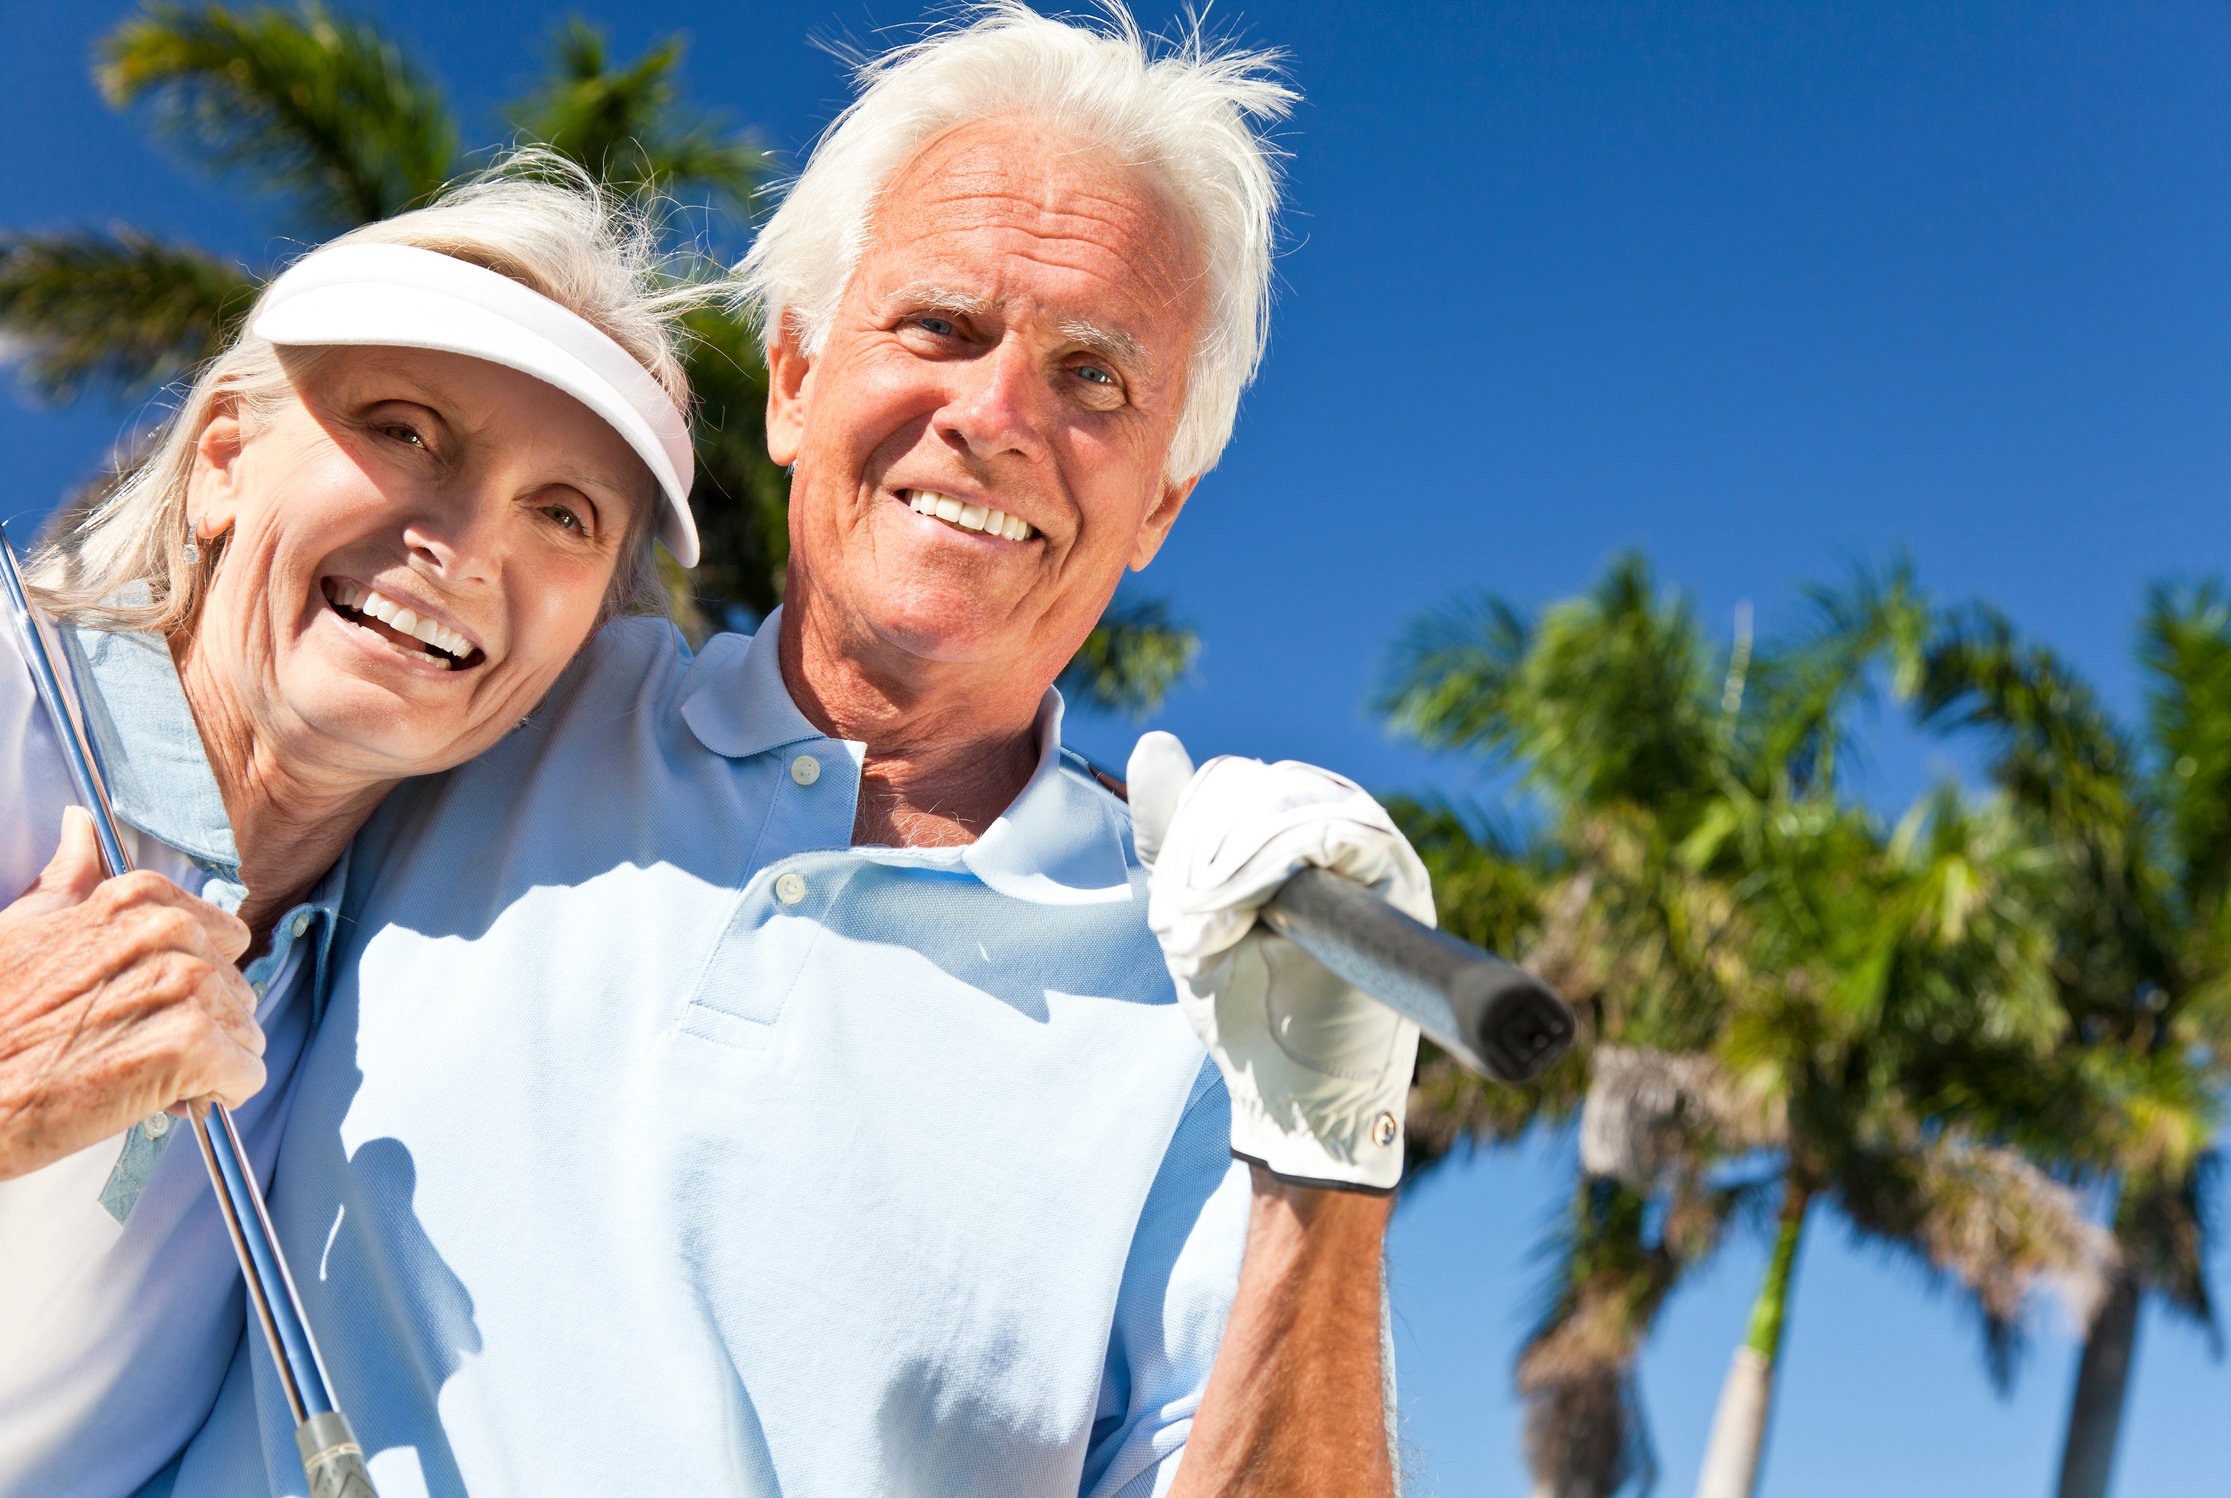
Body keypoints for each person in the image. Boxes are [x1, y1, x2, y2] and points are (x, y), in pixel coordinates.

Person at [175, 8, 1425, 1495]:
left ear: (1162, 500)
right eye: (939, 326)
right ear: (787, 384)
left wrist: (1324, 1164)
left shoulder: (1216, 995)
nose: (998, 416)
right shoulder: (500, 695)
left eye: (1096, 377)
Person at [0, 163, 702, 1496]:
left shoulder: (402, 992)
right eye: (405, 427)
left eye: (566, 513)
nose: (463, 540)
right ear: (221, 462)